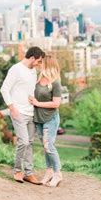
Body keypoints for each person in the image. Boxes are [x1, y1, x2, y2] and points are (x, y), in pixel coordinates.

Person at [1, 46, 45, 184]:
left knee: (30, 143)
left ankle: (29, 173)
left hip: (30, 112)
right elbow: (4, 89)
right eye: (38, 61)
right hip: (18, 112)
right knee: (23, 141)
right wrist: (12, 108)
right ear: (32, 58)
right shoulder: (16, 69)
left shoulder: (33, 72)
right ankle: (17, 170)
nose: (39, 64)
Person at [28, 54, 63, 187]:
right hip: (39, 119)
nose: (40, 64)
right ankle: (48, 172)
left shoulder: (55, 82)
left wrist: (37, 103)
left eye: (42, 62)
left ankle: (58, 174)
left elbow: (56, 104)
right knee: (45, 146)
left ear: (48, 64)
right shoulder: (39, 78)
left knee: (49, 145)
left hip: (50, 118)